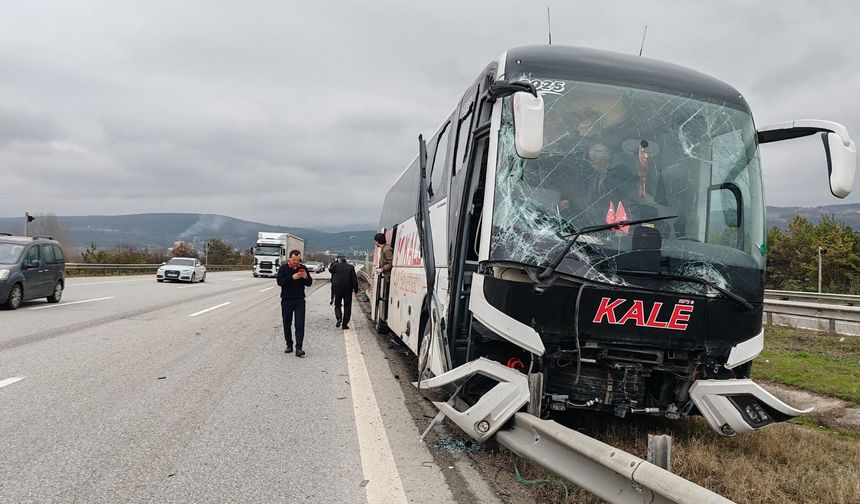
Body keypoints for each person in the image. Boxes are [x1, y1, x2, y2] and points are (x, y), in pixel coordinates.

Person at [276, 249, 313, 357]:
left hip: (299, 300)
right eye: (294, 260)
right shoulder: (283, 268)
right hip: (287, 300)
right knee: (287, 323)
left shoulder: (303, 268)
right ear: (289, 258)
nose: (296, 262)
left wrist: (305, 277)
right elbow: (280, 282)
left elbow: (309, 283)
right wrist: (292, 278)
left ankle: (299, 348)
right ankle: (289, 344)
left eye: (298, 260)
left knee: (300, 324)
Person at [329, 256, 358, 329]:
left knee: (337, 304)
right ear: (346, 261)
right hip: (348, 289)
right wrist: (356, 290)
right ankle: (345, 324)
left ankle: (339, 318)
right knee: (347, 306)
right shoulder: (351, 267)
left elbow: (330, 270)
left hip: (337, 288)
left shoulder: (335, 266)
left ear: (339, 260)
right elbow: (354, 279)